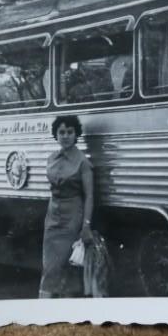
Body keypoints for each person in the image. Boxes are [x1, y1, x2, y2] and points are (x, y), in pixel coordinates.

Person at [39, 115, 95, 298]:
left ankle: (65, 310)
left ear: (76, 134)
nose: (65, 136)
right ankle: (43, 311)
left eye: (70, 132)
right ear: (56, 135)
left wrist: (85, 225)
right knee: (48, 265)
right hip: (52, 217)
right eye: (61, 132)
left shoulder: (83, 162)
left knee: (65, 268)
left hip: (72, 217)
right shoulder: (51, 159)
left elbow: (89, 196)